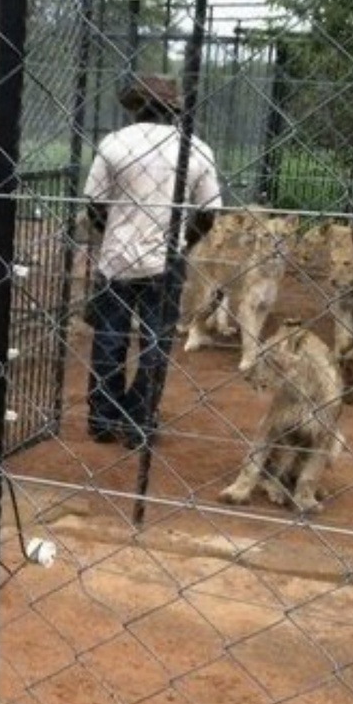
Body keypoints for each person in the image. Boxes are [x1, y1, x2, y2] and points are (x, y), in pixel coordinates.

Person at [82, 72, 222, 449]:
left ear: (136, 108)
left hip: (117, 257)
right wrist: (182, 242)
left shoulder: (114, 144)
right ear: (172, 111)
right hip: (166, 257)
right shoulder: (196, 149)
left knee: (110, 336)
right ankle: (138, 420)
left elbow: (94, 204)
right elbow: (208, 214)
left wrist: (111, 233)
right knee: (154, 342)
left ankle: (102, 417)